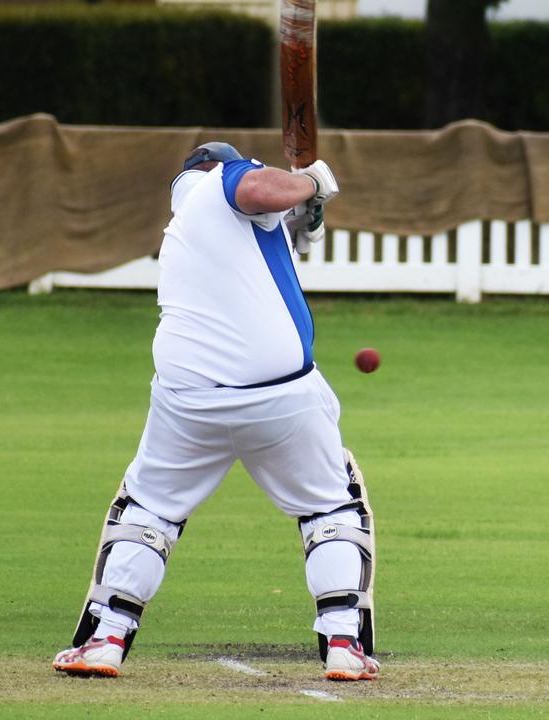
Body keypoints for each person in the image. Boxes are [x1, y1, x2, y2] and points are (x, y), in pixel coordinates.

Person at [52, 142, 379, 681]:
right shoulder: (223, 181)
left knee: (149, 509)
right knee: (330, 509)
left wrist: (300, 218)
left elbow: (263, 235)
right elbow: (255, 189)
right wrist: (314, 182)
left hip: (187, 402)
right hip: (279, 397)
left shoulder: (185, 223)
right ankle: (343, 643)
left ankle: (106, 640)